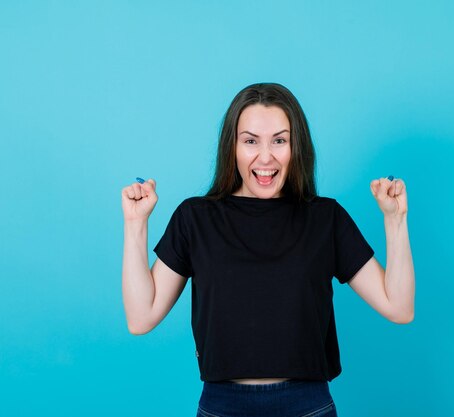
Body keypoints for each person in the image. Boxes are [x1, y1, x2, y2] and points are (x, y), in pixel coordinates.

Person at [121, 83, 415, 417]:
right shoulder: (196, 218)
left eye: (279, 140)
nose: (265, 157)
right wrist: (135, 225)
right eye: (250, 141)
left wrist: (396, 220)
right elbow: (140, 317)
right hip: (222, 406)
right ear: (232, 147)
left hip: (307, 405)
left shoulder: (325, 218)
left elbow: (399, 307)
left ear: (296, 146)